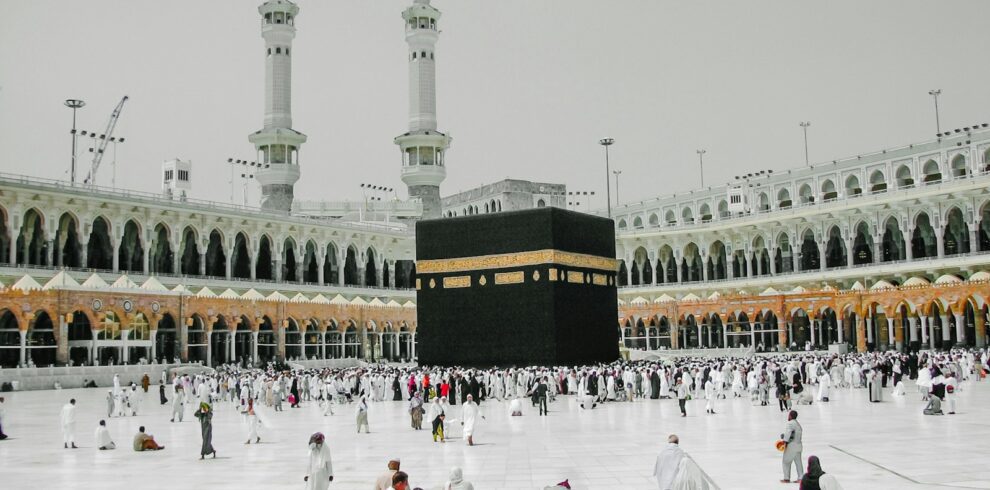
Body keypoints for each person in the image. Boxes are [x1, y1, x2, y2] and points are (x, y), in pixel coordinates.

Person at [780, 410, 804, 483]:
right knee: (798, 462)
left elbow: (788, 433)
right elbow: (794, 434)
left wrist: (784, 441)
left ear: (790, 415)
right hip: (799, 445)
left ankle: (786, 478)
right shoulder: (798, 424)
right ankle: (801, 478)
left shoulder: (790, 423)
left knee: (786, 462)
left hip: (791, 446)